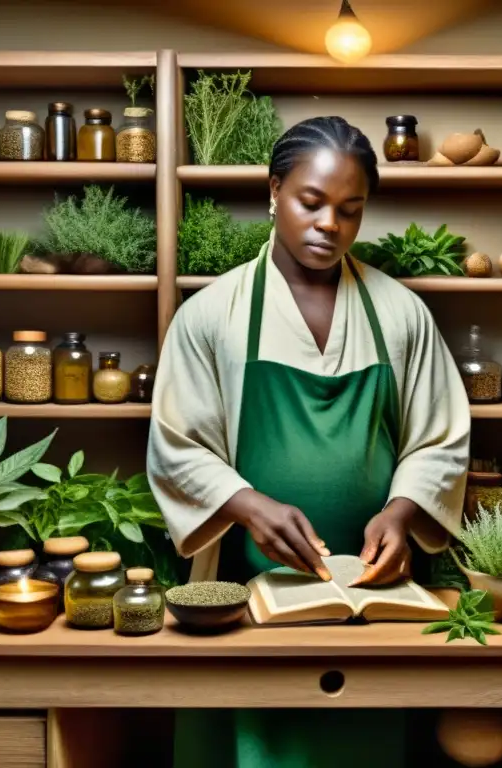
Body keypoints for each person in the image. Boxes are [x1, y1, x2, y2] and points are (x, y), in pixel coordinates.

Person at [148, 116, 470, 768]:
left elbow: (440, 437)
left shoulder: (402, 313)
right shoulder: (211, 315)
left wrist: (403, 513)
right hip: (246, 598)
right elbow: (175, 444)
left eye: (351, 210)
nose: (330, 224)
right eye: (312, 202)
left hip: (377, 600)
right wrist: (246, 506)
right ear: (274, 191)